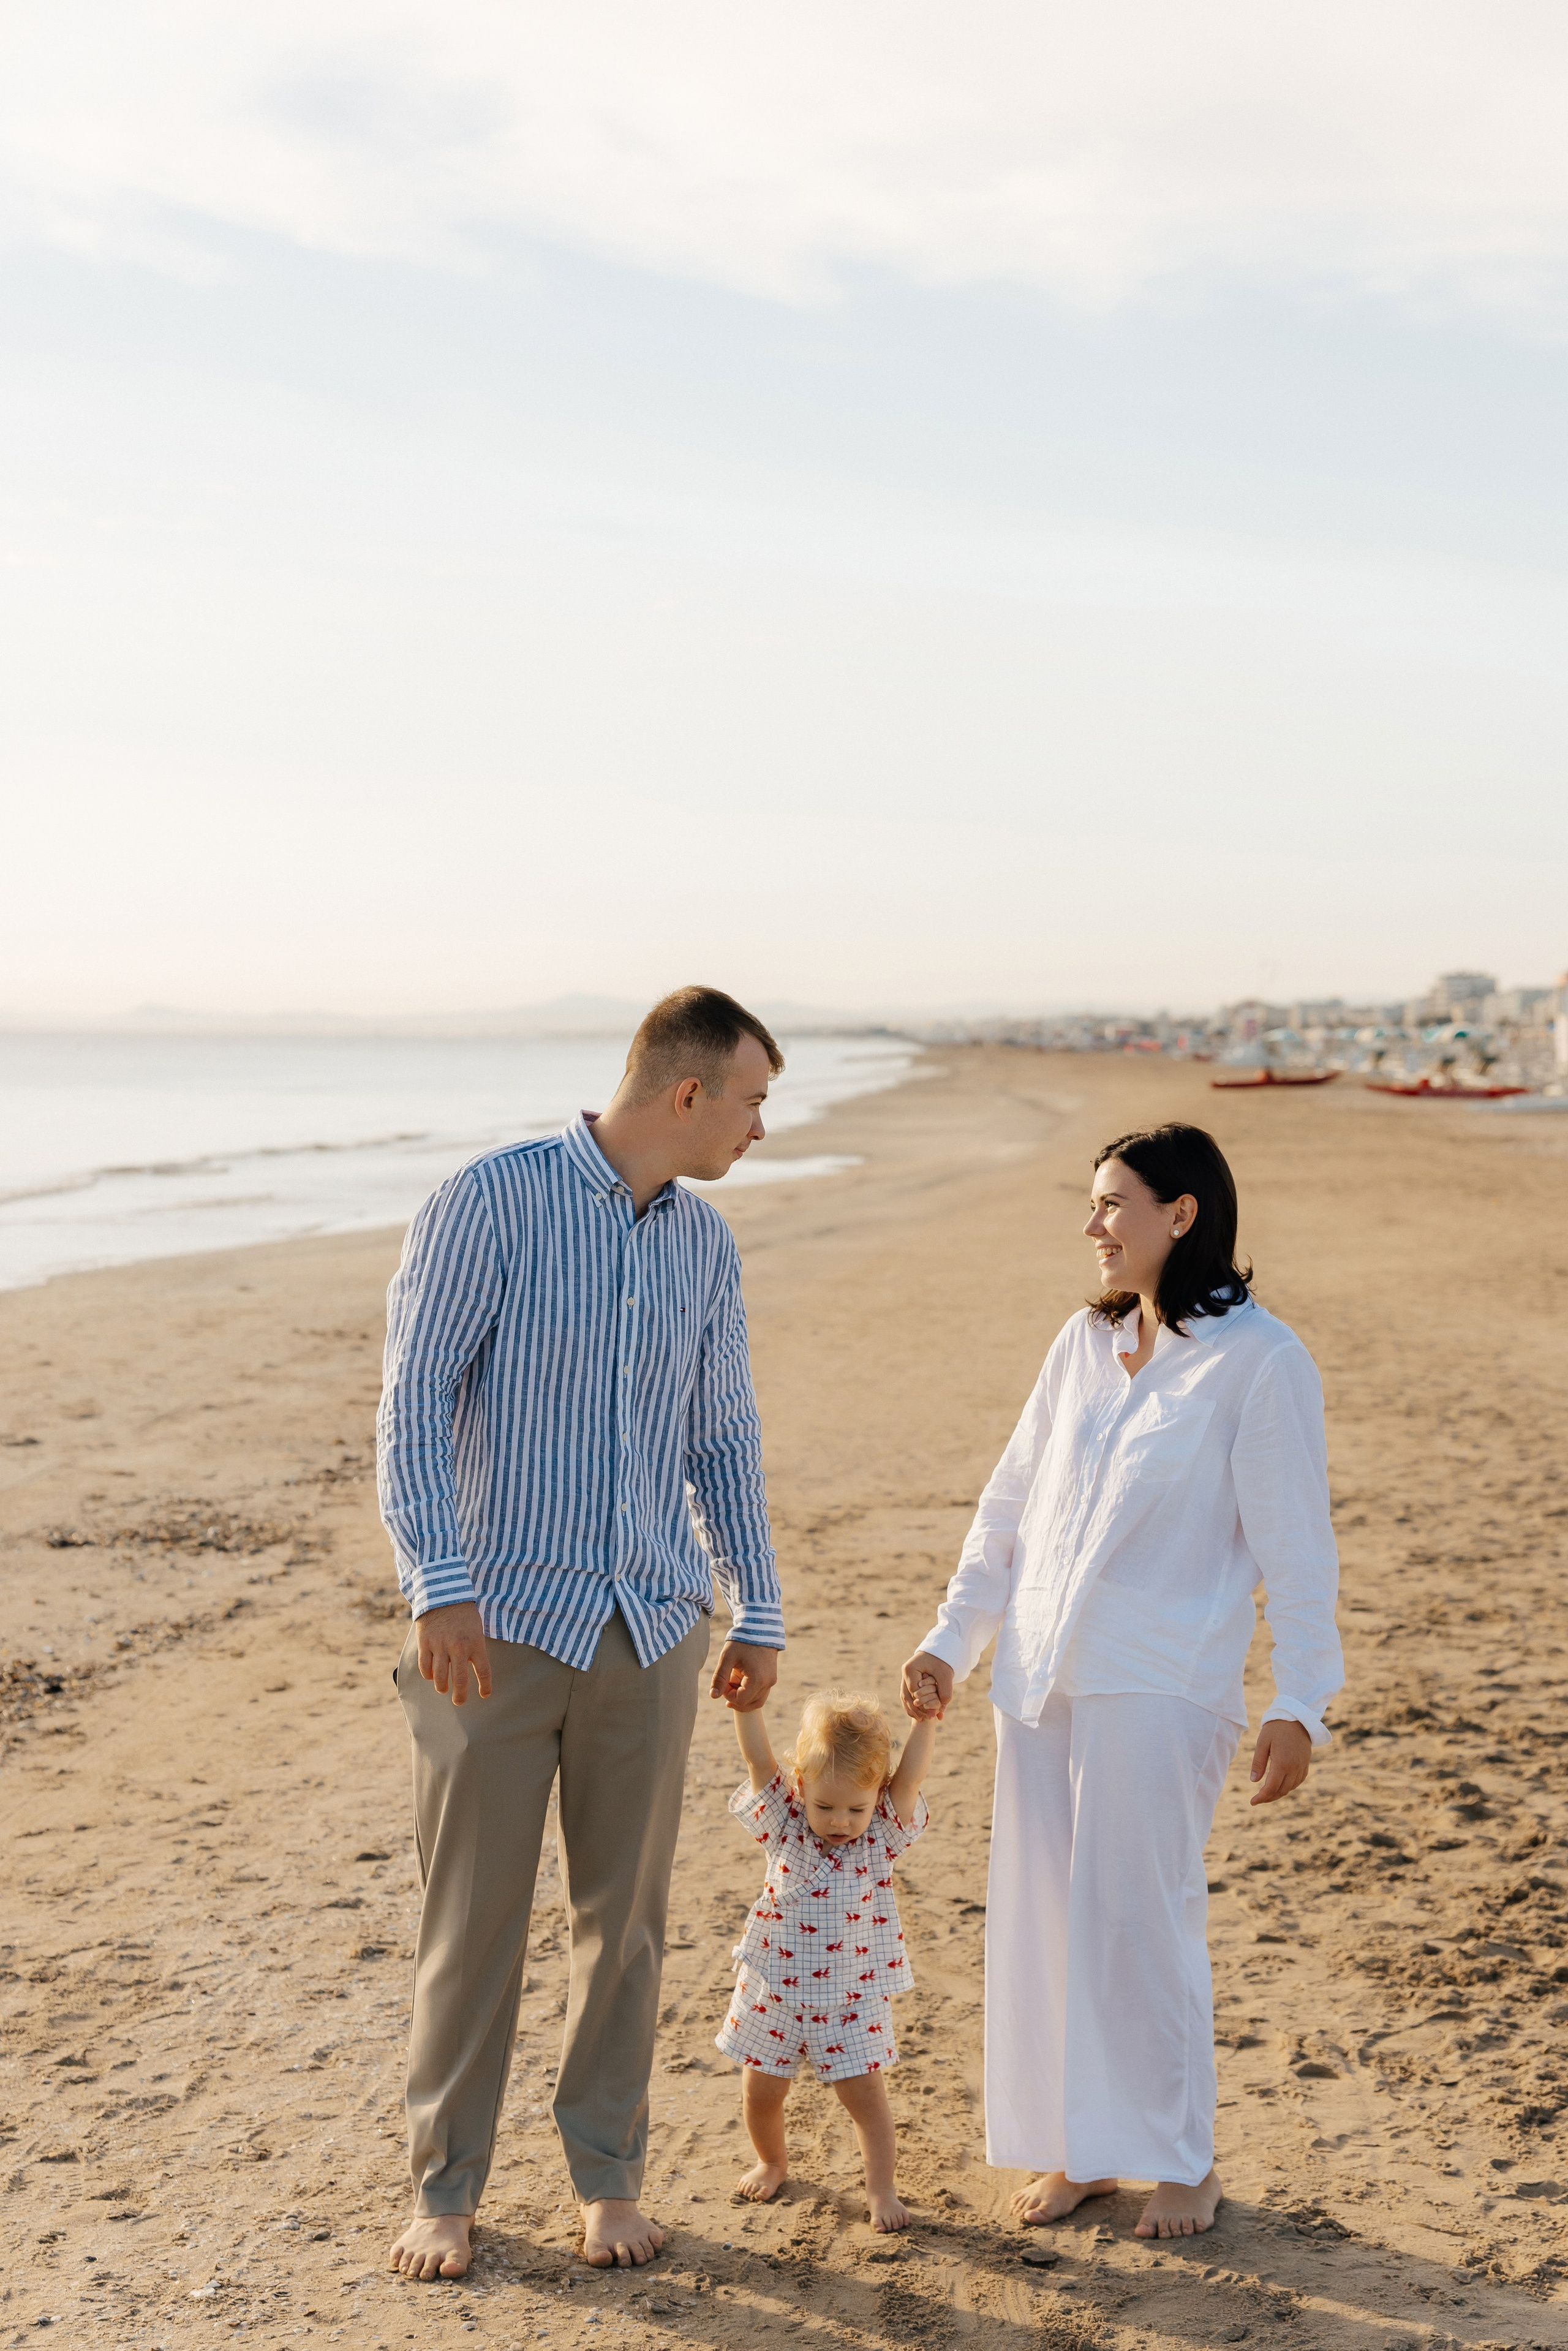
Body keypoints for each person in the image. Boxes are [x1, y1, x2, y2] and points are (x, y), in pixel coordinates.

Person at [377, 986, 789, 2280]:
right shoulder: (490, 1199)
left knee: (628, 1921)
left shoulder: (704, 1243)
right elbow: (411, 1398)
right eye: (752, 1100)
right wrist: (436, 1582)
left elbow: (721, 1432)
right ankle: (444, 2187)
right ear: (686, 1093)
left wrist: (756, 1602)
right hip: (487, 1628)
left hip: (651, 1623)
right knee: (474, 1918)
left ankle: (606, 2175)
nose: (758, 1128)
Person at [902, 1123, 1342, 2240]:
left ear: (1180, 1213)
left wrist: (1302, 1698)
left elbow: (1297, 1546)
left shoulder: (1260, 1360)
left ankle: (1180, 2157)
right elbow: (1009, 1505)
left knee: (1138, 1921)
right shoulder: (1081, 1345)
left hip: (1161, 1677)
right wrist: (954, 1638)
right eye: (1092, 1204)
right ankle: (1085, 2149)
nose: (1091, 1225)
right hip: (1040, 1675)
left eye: (1112, 1204)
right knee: (1048, 1920)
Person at [719, 1689, 937, 2230]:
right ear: (800, 1788)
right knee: (762, 2090)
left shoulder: (879, 1839)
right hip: (774, 1991)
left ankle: (882, 2189)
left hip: (850, 1997)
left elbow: (908, 1781)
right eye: (826, 1806)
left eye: (856, 1808)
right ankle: (772, 2160)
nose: (841, 1821)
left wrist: (925, 1722)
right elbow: (758, 1763)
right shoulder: (786, 1828)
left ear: (876, 1798)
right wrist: (747, 1710)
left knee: (867, 2101)